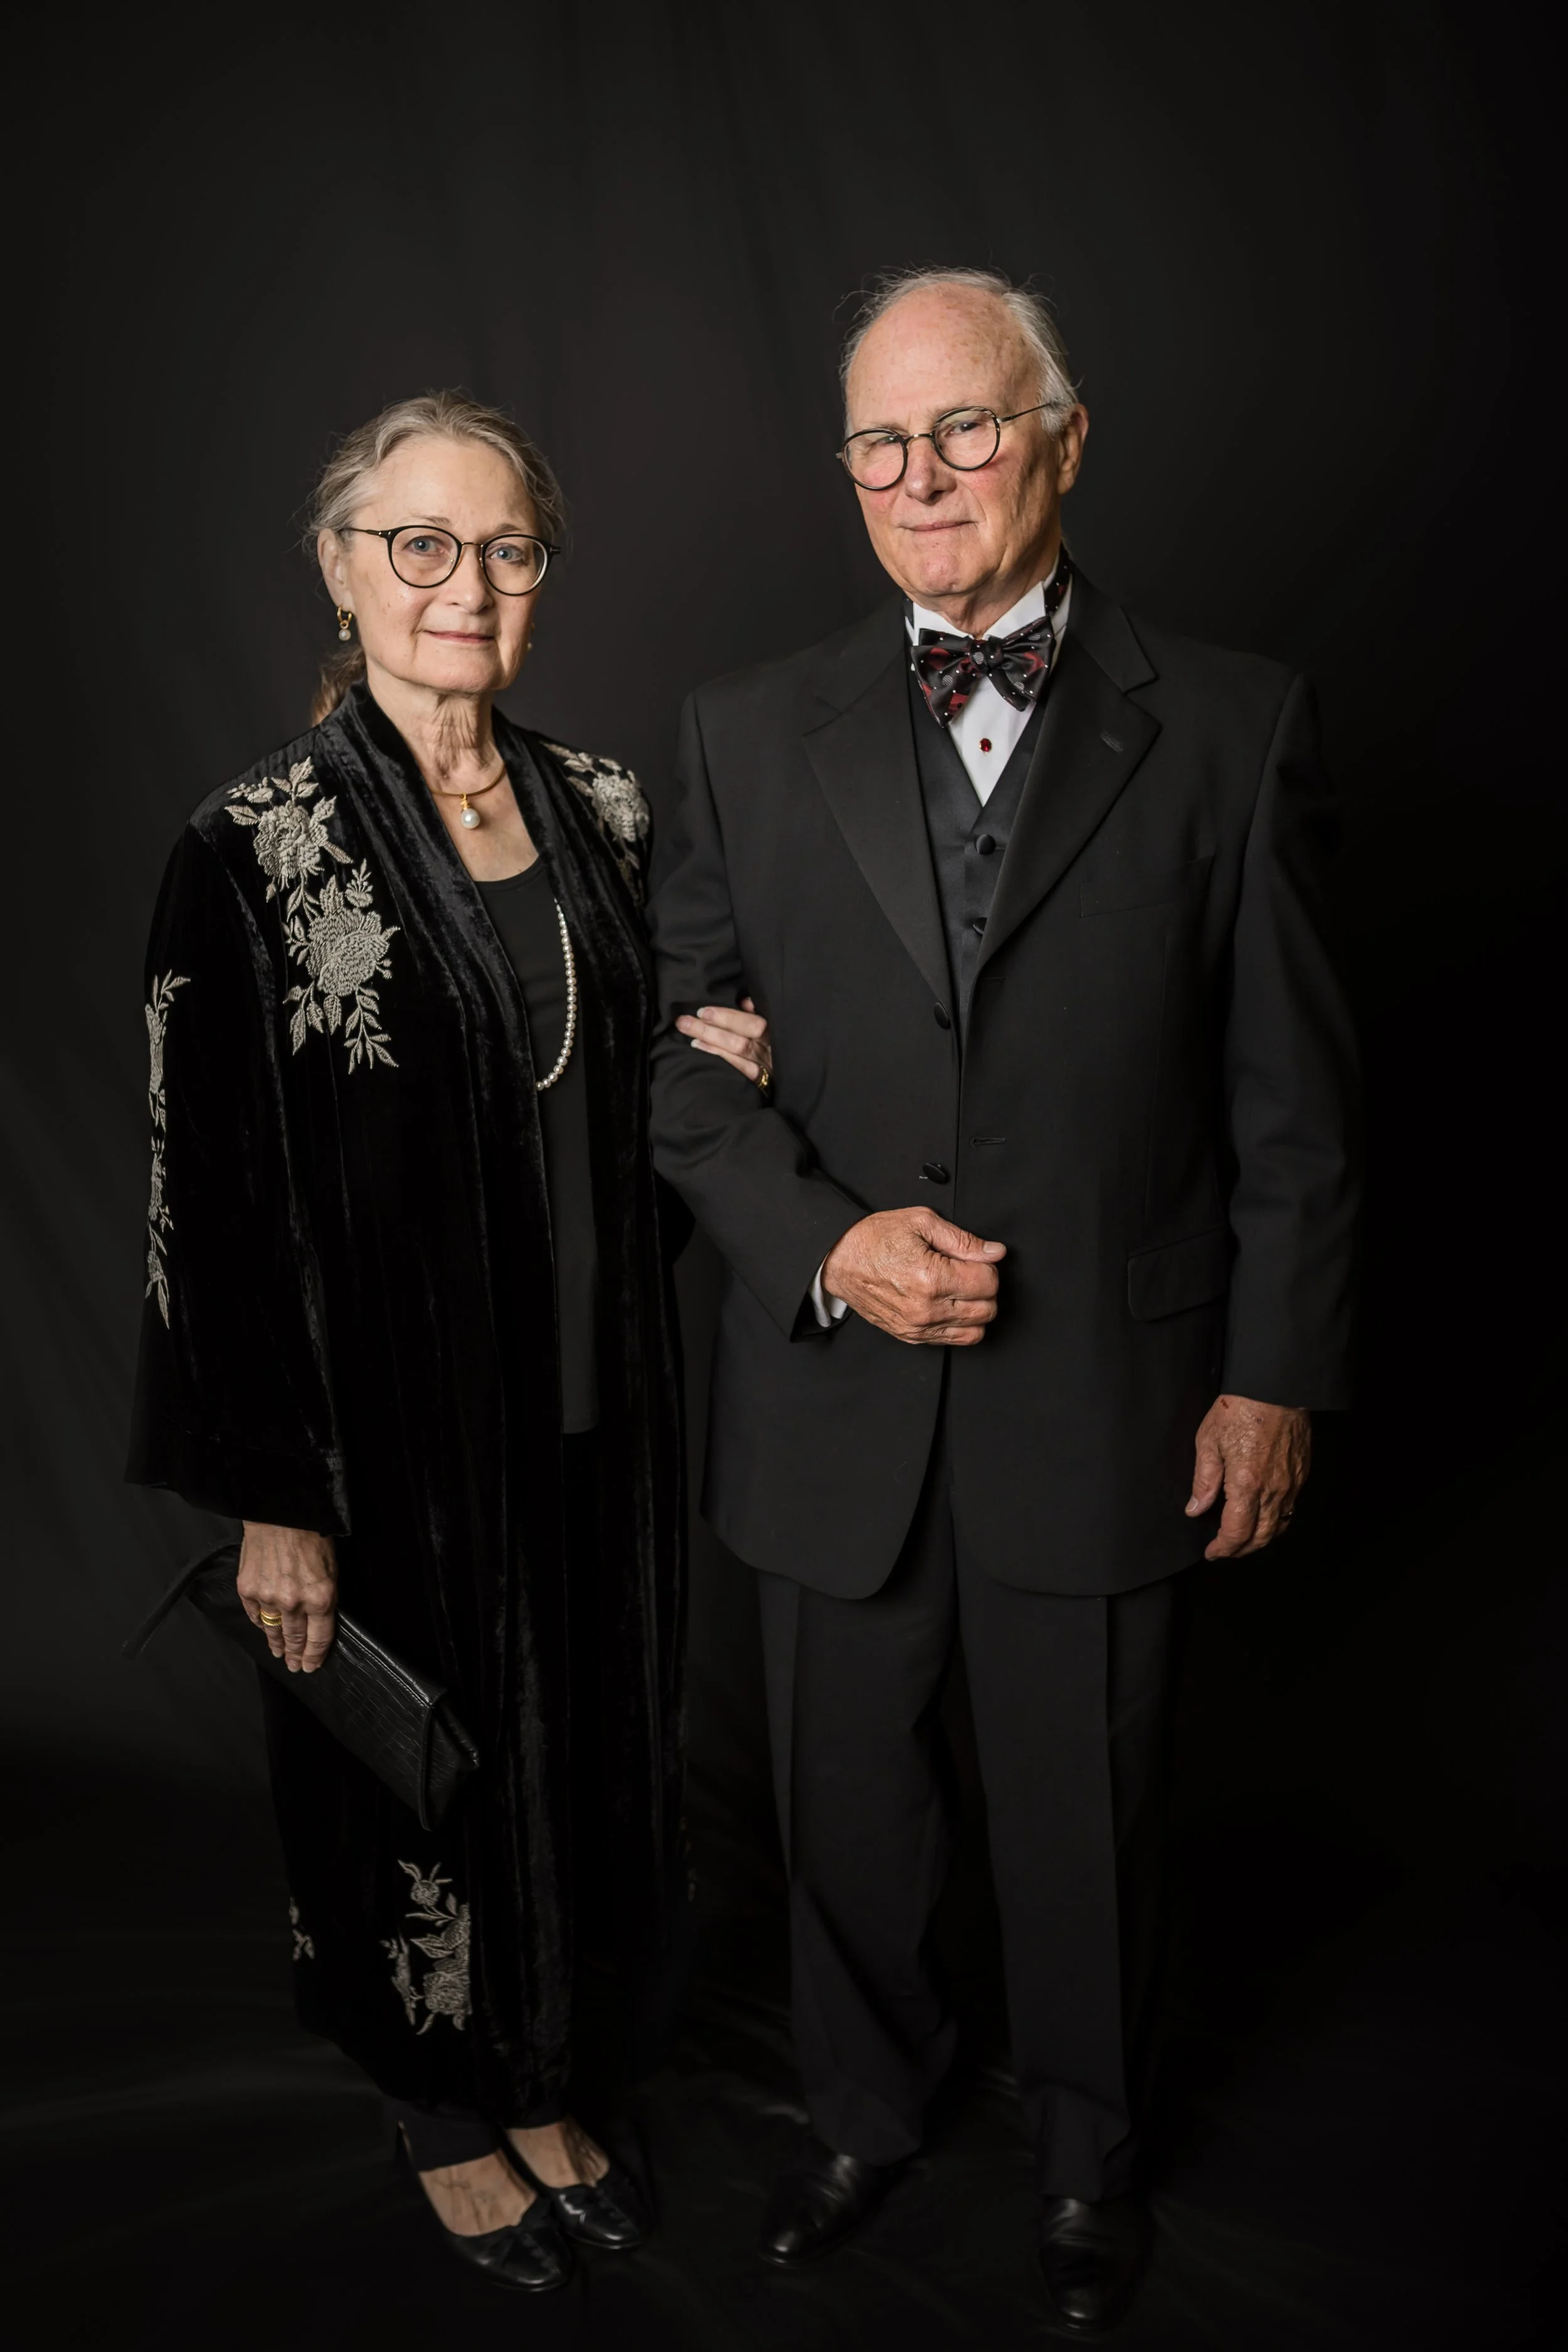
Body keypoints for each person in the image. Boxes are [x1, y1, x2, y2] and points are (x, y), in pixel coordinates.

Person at [647, 268, 1359, 2335]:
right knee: (843, 1810)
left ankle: (1085, 2155)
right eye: (878, 440)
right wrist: (825, 1240)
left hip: (1111, 1391)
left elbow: (1296, 1103)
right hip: (831, 1390)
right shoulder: (737, 728)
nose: (918, 475)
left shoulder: (1234, 720)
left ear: (1061, 438)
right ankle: (861, 2111)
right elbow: (680, 1078)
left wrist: (1273, 1375)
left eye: (961, 426)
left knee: (1085, 1823)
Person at [127, 391, 771, 2292]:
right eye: (418, 543)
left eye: (504, 547)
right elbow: (206, 1207)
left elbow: (600, 1122)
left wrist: (705, 1074)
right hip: (375, 1428)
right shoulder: (252, 846)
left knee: (588, 1747)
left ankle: (550, 2070)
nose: (462, 584)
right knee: (417, 1773)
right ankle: (438, 2103)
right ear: (340, 570)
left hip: (594, 1393)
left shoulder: (607, 809)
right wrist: (272, 1500)